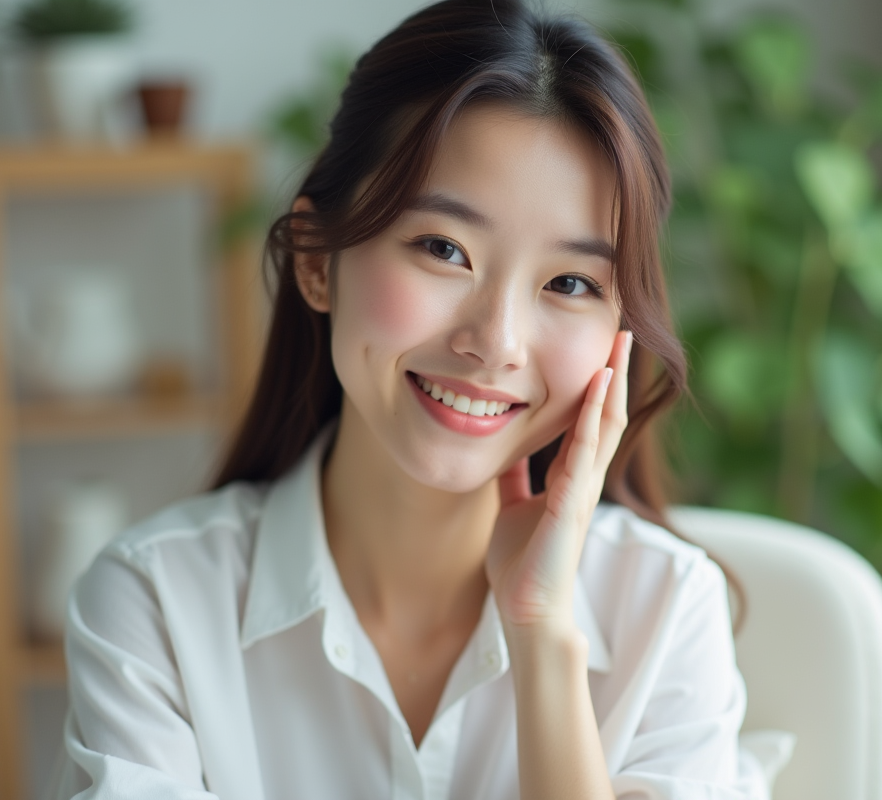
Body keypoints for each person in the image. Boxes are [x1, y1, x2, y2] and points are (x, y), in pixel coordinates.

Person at [47, 1, 775, 797]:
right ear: (320, 263)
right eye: (443, 249)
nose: (496, 342)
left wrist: (542, 640)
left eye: (569, 283)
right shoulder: (157, 605)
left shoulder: (665, 611)